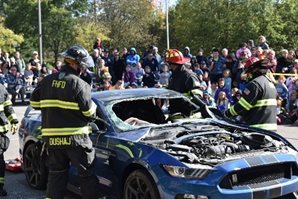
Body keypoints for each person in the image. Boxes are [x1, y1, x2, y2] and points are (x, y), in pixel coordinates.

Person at [30, 45, 99, 199]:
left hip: (53, 140)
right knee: (87, 176)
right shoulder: (80, 84)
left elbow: (34, 104)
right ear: (74, 64)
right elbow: (89, 113)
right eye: (82, 66)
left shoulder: (46, 81)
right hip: (77, 139)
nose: (83, 69)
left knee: (56, 176)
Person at [225, 57, 277, 131]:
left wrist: (226, 113)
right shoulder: (270, 83)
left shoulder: (255, 84)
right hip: (271, 130)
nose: (248, 75)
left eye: (248, 72)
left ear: (254, 70)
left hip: (257, 129)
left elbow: (242, 106)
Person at [0, 83, 19, 196]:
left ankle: (0, 187)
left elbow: (8, 106)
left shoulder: (1, 88)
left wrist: (14, 121)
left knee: (0, 162)